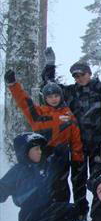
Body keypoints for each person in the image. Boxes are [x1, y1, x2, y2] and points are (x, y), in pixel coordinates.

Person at [42, 47, 101, 221]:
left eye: (82, 74)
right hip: (77, 145)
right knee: (78, 180)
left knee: (99, 180)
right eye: (76, 76)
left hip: (98, 146)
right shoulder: (70, 93)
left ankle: (100, 211)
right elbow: (49, 86)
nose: (79, 78)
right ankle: (80, 213)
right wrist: (50, 64)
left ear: (89, 73)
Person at [4, 70, 84, 204]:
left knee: (61, 186)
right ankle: (43, 214)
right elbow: (23, 101)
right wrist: (13, 84)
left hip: (61, 155)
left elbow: (76, 140)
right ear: (45, 98)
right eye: (50, 96)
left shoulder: (68, 115)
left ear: (61, 96)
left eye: (56, 95)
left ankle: (62, 213)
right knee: (42, 185)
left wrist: (77, 159)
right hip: (41, 154)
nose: (54, 99)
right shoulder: (38, 113)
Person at [0, 133, 76, 221]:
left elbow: (61, 168)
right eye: (36, 149)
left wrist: (62, 152)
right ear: (25, 152)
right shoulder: (18, 171)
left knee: (69, 209)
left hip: (48, 211)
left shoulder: (45, 165)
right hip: (29, 217)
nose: (40, 152)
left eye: (41, 149)